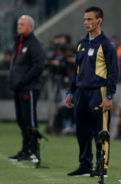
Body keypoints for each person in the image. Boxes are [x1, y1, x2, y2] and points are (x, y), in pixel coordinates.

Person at [65, 7, 118, 177]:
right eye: (84, 20)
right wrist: (71, 92)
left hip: (99, 92)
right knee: (82, 131)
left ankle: (102, 166)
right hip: (81, 92)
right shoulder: (81, 44)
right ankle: (84, 164)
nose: (86, 23)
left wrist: (109, 96)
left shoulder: (107, 45)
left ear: (99, 20)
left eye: (89, 19)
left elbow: (113, 73)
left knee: (100, 131)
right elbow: (76, 71)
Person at [8, 15, 45, 162]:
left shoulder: (34, 44)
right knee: (22, 121)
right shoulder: (19, 42)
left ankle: (34, 151)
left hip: (29, 88)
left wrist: (23, 80)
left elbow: (39, 66)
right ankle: (26, 150)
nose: (19, 27)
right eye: (18, 24)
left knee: (30, 121)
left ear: (30, 27)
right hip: (19, 88)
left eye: (22, 24)